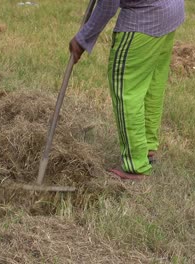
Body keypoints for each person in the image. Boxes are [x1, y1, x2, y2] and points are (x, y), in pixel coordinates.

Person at [69, 0, 185, 180]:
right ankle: (146, 147)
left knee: (126, 88)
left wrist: (83, 38)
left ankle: (136, 165)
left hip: (144, 21)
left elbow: (108, 4)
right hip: (169, 11)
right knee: (151, 84)